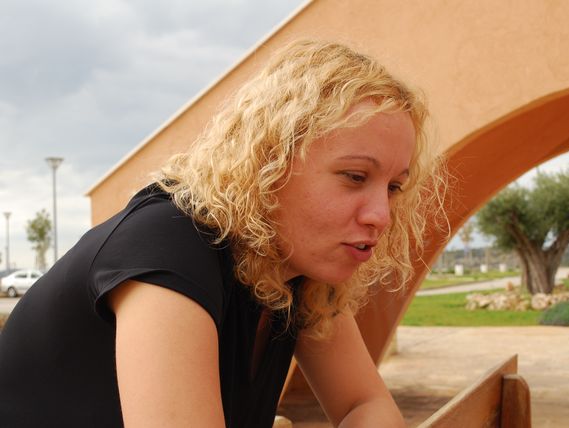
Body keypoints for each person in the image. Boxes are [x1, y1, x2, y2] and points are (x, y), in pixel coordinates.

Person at [0, 40, 445, 427]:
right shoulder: (169, 250)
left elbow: (364, 404)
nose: (381, 215)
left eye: (393, 187)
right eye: (354, 176)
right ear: (270, 163)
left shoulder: (295, 272)